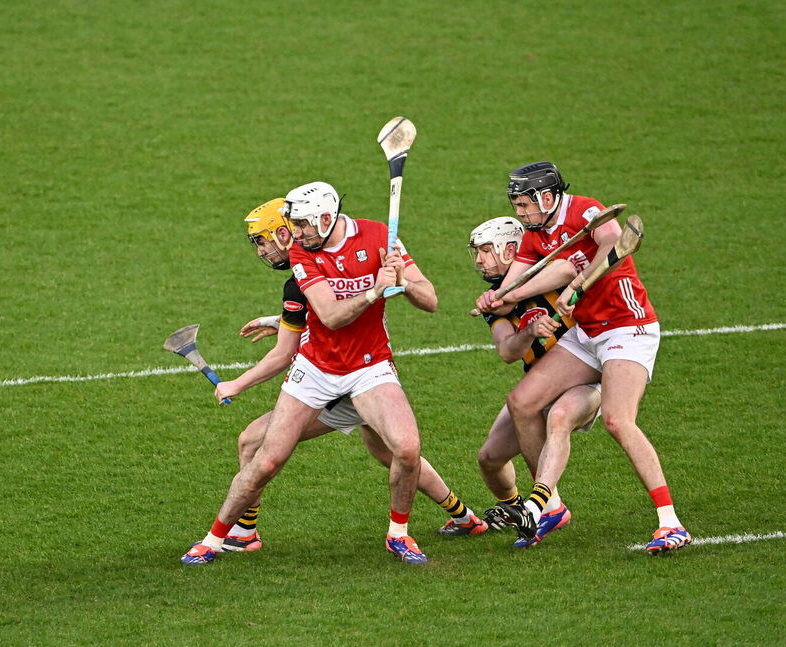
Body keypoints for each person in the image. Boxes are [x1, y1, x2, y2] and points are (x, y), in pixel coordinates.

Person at [182, 181, 439, 566]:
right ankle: (214, 539)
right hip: (315, 370)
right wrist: (374, 291)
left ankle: (398, 534)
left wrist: (402, 282)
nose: (295, 235)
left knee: (406, 448)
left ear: (324, 218)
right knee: (266, 460)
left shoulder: (380, 236)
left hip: (369, 366)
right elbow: (332, 316)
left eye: (301, 225)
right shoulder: (303, 253)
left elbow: (430, 300)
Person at [475, 162, 689, 554]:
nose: (520, 213)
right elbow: (515, 283)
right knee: (522, 402)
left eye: (524, 205)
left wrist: (579, 280)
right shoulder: (536, 236)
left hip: (627, 327)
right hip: (587, 333)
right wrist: (497, 298)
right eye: (517, 206)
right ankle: (549, 505)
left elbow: (613, 243)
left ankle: (669, 521)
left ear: (547, 197)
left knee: (618, 420)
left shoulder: (584, 210)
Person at [468, 216, 602, 548]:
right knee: (489, 459)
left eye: (486, 251)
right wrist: (528, 330)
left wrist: (517, 292)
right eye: (477, 252)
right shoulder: (494, 300)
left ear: (510, 249)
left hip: (585, 377)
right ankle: (516, 508)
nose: (480, 260)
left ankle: (548, 506)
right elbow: (507, 352)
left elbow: (568, 271)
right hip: (540, 384)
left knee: (558, 419)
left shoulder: (545, 273)